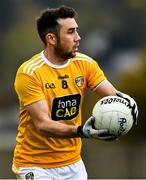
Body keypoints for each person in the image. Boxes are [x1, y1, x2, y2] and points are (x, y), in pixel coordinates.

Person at [12, 5, 138, 179]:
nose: (78, 38)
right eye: (70, 32)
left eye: (77, 31)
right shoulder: (30, 72)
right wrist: (81, 131)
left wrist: (127, 104)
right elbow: (43, 124)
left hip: (73, 163)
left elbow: (112, 96)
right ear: (51, 39)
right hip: (35, 164)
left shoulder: (85, 64)